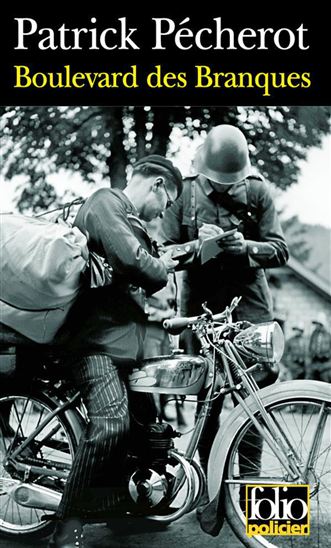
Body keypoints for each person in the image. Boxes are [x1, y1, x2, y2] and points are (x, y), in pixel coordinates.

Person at [48, 155, 182, 548]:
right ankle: (67, 521)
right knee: (111, 423)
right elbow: (132, 260)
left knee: (148, 432)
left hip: (124, 345)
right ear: (157, 185)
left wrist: (193, 253)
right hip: (93, 343)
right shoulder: (106, 202)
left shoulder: (130, 220)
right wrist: (161, 267)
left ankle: (124, 510)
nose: (163, 212)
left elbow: (150, 262)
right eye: (167, 201)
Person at [161, 124, 289, 521]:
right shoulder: (184, 194)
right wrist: (197, 247)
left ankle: (249, 496)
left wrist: (245, 246)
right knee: (207, 402)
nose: (222, 188)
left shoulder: (258, 192)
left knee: (255, 400)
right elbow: (164, 251)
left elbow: (280, 250)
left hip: (249, 308)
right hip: (200, 308)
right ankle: (211, 495)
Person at [308, 312, 331, 382]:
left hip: (325, 365)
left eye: (318, 324)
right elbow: (310, 347)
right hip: (315, 364)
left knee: (324, 383)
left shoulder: (328, 335)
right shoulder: (314, 334)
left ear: (322, 325)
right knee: (313, 383)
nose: (316, 326)